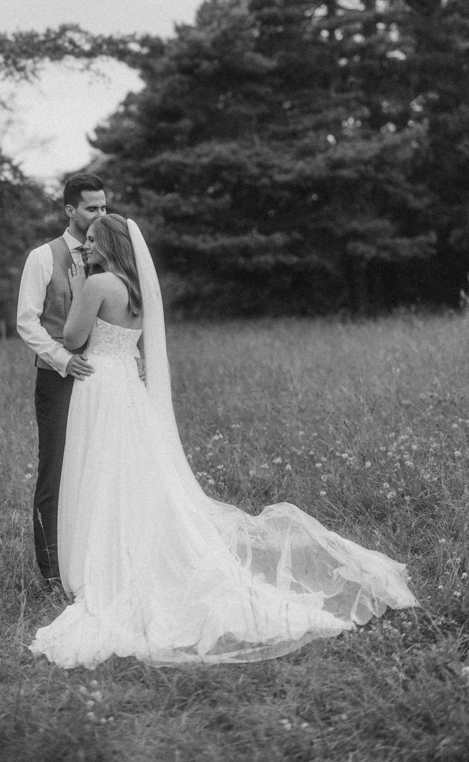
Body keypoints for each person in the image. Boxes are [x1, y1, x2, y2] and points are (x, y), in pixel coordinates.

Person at [28, 214, 418, 668]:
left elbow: (74, 338)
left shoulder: (96, 284)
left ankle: (108, 559)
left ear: (111, 245)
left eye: (95, 241)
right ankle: (133, 547)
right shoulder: (137, 289)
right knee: (132, 472)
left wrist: (78, 287)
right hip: (128, 390)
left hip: (100, 387)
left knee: (101, 472)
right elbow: (132, 343)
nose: (88, 247)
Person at [17, 173, 107, 584]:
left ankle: (92, 560)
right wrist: (62, 359)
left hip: (105, 377)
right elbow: (26, 321)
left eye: (104, 207)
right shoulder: (43, 257)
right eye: (91, 208)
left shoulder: (110, 254)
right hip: (58, 377)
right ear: (70, 210)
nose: (100, 214)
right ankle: (52, 571)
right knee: (55, 468)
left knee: (98, 466)